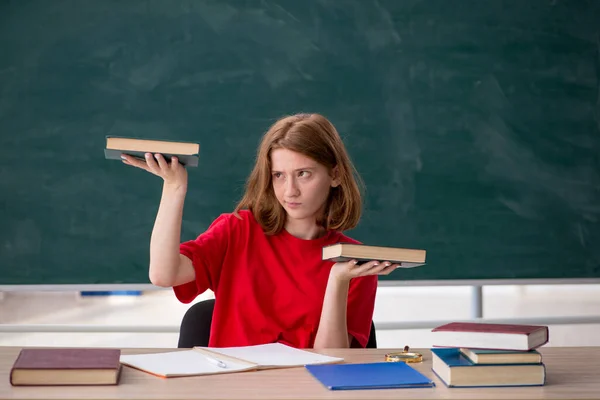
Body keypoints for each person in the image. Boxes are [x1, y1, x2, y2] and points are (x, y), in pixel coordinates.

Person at [121, 113, 400, 349]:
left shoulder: (352, 263)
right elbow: (162, 274)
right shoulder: (237, 231)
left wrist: (337, 280)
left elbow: (331, 366)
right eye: (279, 175)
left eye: (304, 174)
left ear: (335, 175)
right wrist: (174, 187)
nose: (290, 191)